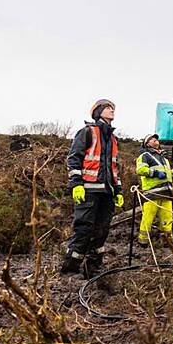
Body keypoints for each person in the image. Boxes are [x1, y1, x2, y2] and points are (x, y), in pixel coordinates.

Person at [61, 99, 124, 277]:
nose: (112, 110)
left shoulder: (113, 138)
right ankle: (70, 269)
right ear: (98, 112)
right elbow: (74, 159)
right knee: (83, 229)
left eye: (113, 108)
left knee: (101, 231)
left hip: (107, 193)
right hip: (88, 191)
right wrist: (77, 185)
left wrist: (118, 191)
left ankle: (93, 268)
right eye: (108, 108)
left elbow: (114, 168)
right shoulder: (87, 132)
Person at [135, 133, 173, 248]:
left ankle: (167, 243)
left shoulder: (164, 159)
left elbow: (168, 175)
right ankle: (142, 242)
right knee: (148, 218)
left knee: (167, 219)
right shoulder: (145, 155)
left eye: (156, 139)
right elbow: (141, 170)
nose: (156, 141)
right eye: (152, 140)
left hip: (166, 194)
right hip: (152, 194)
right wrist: (155, 173)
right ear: (147, 143)